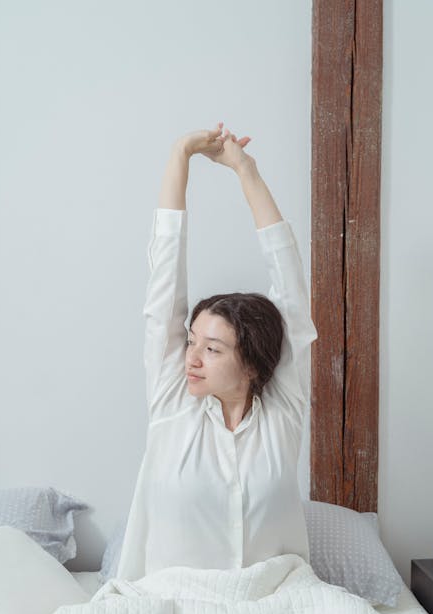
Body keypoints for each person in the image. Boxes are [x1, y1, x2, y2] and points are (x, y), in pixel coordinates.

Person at [115, 123, 318, 581]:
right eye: (191, 343)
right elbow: (164, 279)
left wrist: (247, 173)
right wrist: (179, 156)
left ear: (251, 363)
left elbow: (290, 288)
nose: (192, 358)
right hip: (177, 607)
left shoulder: (282, 413)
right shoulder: (173, 402)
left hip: (276, 607)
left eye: (212, 349)